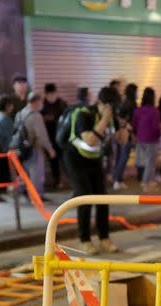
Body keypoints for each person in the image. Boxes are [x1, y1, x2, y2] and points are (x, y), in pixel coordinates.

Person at [63, 86, 121, 255]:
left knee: (102, 198)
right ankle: (85, 240)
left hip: (93, 160)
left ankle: (104, 238)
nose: (112, 110)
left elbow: (121, 139)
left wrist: (123, 125)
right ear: (100, 103)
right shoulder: (84, 114)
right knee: (85, 196)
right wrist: (104, 119)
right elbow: (89, 140)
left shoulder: (111, 117)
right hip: (75, 159)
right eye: (109, 106)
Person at [16, 92, 56, 200]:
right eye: (40, 102)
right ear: (36, 101)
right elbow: (42, 135)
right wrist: (50, 149)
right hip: (34, 148)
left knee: (25, 171)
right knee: (36, 173)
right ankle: (37, 195)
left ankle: (23, 190)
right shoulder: (36, 116)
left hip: (22, 148)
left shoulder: (19, 114)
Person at [133, 87, 161, 192]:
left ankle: (149, 181)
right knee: (151, 162)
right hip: (151, 139)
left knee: (145, 162)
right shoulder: (154, 111)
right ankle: (145, 182)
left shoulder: (138, 110)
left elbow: (135, 125)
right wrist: (159, 135)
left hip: (141, 139)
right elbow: (156, 127)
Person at [110, 83, 138, 191]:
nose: (137, 93)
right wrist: (130, 129)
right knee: (123, 157)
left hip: (123, 133)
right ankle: (117, 180)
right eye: (136, 91)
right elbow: (124, 119)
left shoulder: (124, 102)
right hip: (127, 134)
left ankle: (118, 179)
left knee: (121, 157)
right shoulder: (130, 103)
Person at [40, 83, 67, 190]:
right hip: (49, 139)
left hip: (61, 138)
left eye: (54, 94)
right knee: (53, 162)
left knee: (65, 160)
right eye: (49, 94)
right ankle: (57, 181)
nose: (52, 96)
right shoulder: (42, 105)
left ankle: (68, 180)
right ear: (46, 94)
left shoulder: (62, 104)